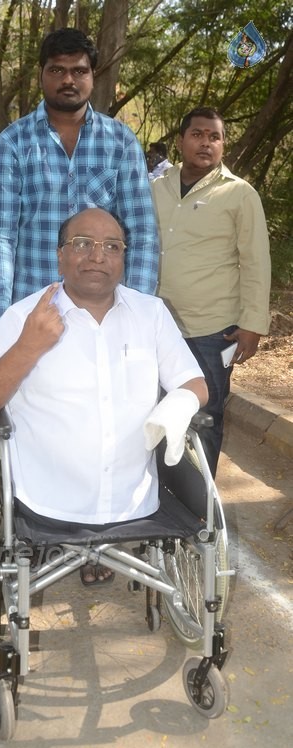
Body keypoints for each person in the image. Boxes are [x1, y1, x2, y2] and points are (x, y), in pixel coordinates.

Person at [0, 208, 207, 585]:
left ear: (124, 257)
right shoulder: (24, 316)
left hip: (135, 500)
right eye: (82, 244)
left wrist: (178, 404)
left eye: (112, 246)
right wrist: (29, 346)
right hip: (45, 499)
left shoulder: (150, 313)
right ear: (60, 254)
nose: (97, 256)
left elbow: (195, 383)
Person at [0, 27, 159, 325]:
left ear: (92, 75)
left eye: (78, 71)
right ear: (42, 74)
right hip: (33, 311)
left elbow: (141, 233)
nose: (67, 80)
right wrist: (2, 319)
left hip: (105, 314)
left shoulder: (120, 142)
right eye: (57, 70)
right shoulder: (13, 143)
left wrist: (136, 314)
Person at [152, 106, 271, 477]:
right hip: (156, 327)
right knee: (154, 413)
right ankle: (158, 503)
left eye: (214, 137)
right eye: (198, 134)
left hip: (212, 330)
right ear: (181, 140)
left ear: (223, 145)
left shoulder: (239, 194)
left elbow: (255, 261)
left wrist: (252, 324)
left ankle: (199, 514)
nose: (206, 143)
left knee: (204, 417)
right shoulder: (157, 187)